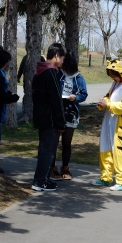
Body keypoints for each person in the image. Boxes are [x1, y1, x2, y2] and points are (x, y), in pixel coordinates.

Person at [91, 60, 122, 191]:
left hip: (121, 124)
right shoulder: (115, 84)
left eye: (114, 75)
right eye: (111, 76)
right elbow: (108, 97)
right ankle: (105, 178)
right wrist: (103, 102)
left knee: (120, 152)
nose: (113, 78)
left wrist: (108, 105)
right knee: (105, 148)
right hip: (109, 121)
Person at [31, 43, 67, 191]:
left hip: (40, 117)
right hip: (50, 119)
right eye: (63, 58)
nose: (63, 62)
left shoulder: (38, 72)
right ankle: (39, 181)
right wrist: (61, 122)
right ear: (57, 56)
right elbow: (56, 100)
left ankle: (44, 179)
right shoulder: (51, 73)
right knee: (48, 150)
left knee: (45, 149)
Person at [50, 49, 88, 181]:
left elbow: (84, 94)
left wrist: (75, 97)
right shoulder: (57, 73)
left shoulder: (79, 78)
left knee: (67, 142)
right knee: (54, 142)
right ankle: (52, 168)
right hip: (57, 111)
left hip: (71, 113)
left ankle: (65, 168)